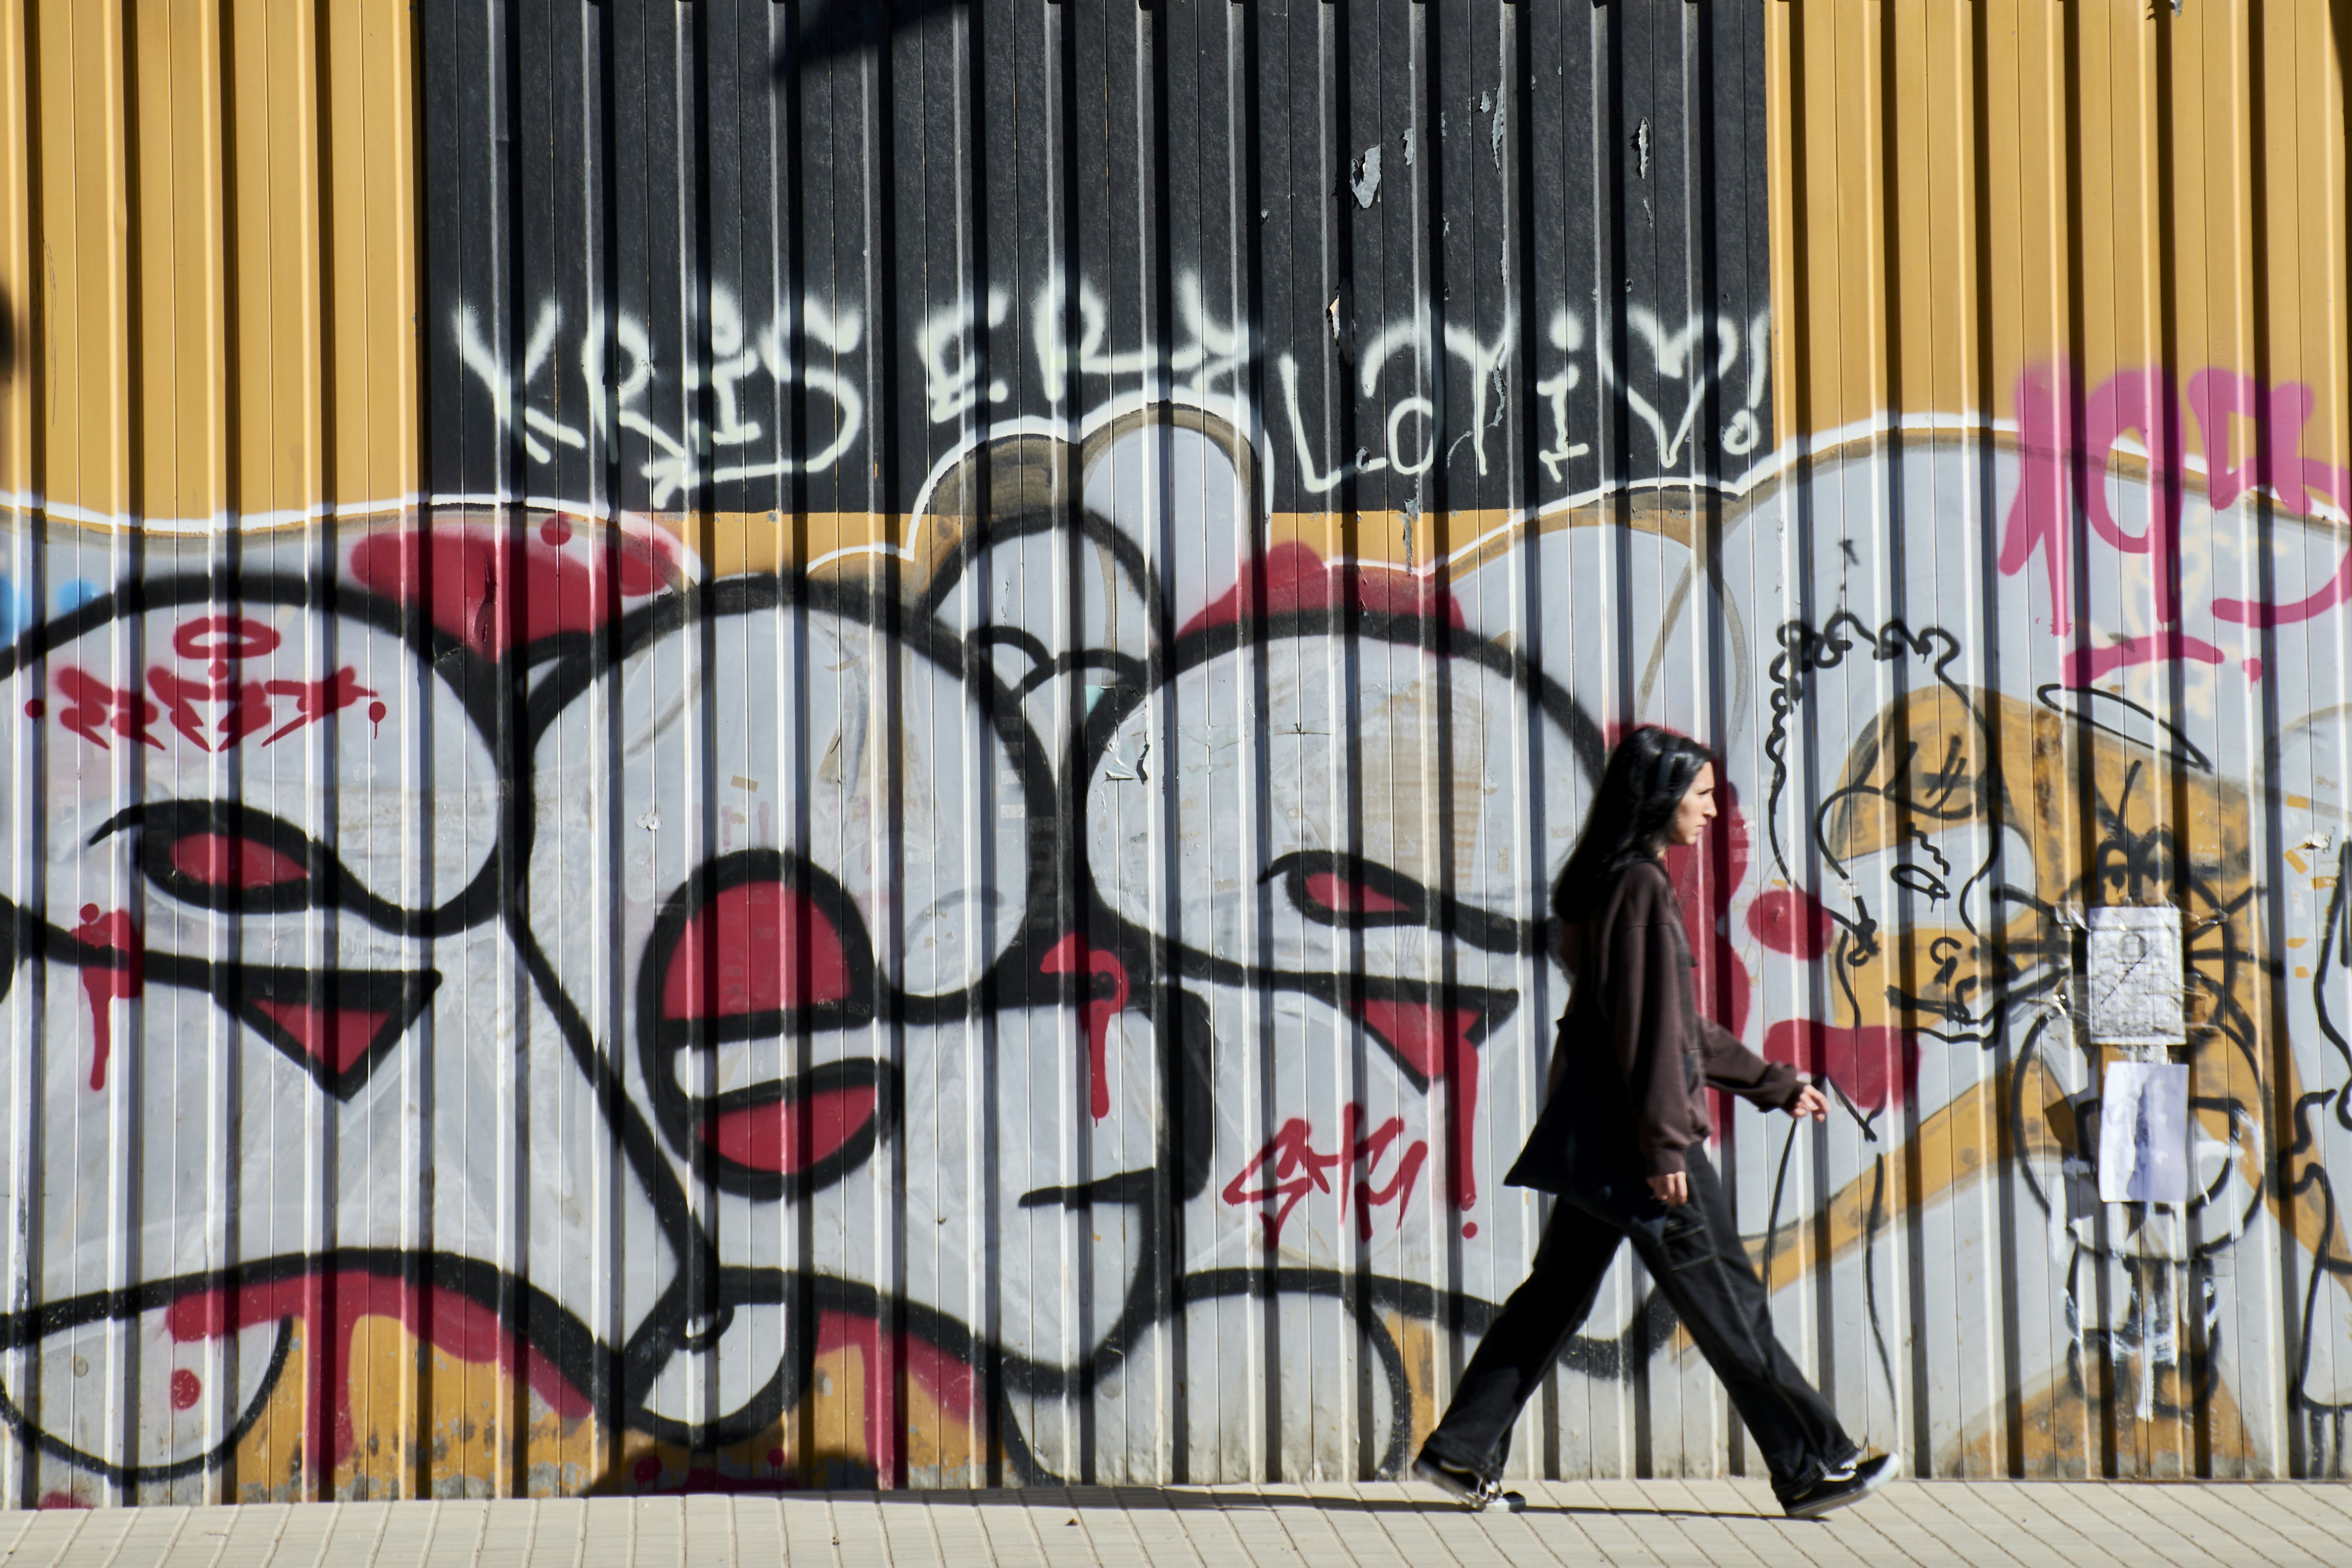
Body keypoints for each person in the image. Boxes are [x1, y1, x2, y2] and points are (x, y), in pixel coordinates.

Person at [1412, 726, 1896, 1520]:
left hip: (1607, 1140)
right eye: (1702, 794)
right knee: (1729, 1303)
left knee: (1554, 1297)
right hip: (1642, 1147)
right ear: (1663, 796)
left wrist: (1772, 1082)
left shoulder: (1615, 883)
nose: (1712, 808)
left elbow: (1670, 1024)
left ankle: (1460, 1452)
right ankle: (1812, 1465)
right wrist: (1667, 1143)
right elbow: (1651, 1031)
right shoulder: (1639, 887)